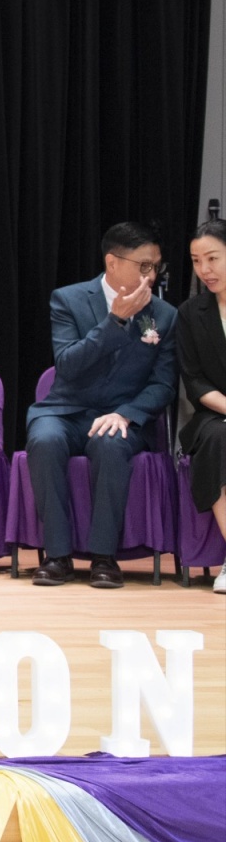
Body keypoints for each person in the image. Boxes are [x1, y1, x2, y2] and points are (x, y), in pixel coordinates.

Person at [25, 221, 177, 588]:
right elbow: (68, 364)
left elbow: (163, 384)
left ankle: (104, 558)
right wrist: (115, 320)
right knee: (44, 440)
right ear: (112, 262)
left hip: (122, 414)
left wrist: (126, 413)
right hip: (65, 410)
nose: (151, 275)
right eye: (144, 265)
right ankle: (57, 556)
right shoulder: (68, 299)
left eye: (156, 266)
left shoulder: (164, 315)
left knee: (110, 444)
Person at [175, 218, 226, 593]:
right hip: (214, 413)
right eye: (196, 261)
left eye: (213, 258)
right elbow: (194, 380)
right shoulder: (191, 313)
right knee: (219, 439)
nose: (204, 269)